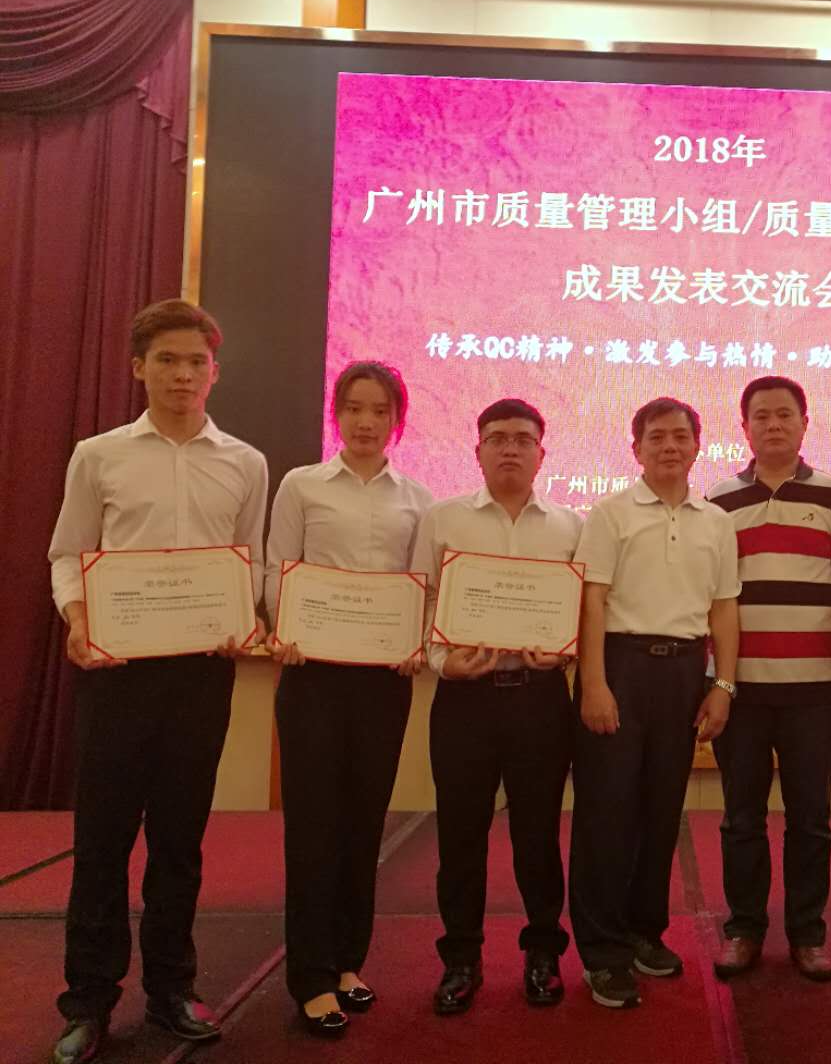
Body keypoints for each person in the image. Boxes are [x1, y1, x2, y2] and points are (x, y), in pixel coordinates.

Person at [46, 300, 267, 1064]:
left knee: (180, 843)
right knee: (100, 844)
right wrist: (79, 618)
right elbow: (69, 552)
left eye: (196, 361)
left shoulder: (245, 463)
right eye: (167, 360)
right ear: (139, 367)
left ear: (215, 372)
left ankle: (172, 990)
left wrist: (246, 617)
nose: (182, 374)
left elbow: (248, 562)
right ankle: (87, 1001)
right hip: (117, 672)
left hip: (202, 676)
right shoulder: (98, 456)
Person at [264, 361, 433, 1037]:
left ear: (398, 420)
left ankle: (345, 962)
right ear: (337, 414)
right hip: (312, 676)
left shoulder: (417, 500)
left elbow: (420, 586)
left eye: (380, 410)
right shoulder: (302, 485)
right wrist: (285, 627)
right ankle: (308, 976)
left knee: (365, 826)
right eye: (355, 408)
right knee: (313, 827)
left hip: (383, 681)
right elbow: (279, 568)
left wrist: (417, 638)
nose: (367, 421)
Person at [410, 399, 582, 1015]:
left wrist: (563, 654)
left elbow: (581, 612)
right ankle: (461, 958)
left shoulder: (570, 526)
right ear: (477, 449)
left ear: (542, 453)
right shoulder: (443, 519)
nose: (510, 448)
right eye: (497, 438)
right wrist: (440, 660)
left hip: (540, 699)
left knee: (539, 834)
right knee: (460, 835)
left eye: (523, 439)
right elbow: (419, 601)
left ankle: (544, 954)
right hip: (464, 699)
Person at [568, 397, 740, 1008]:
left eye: (680, 436)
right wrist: (594, 684)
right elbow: (591, 600)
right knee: (606, 814)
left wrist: (723, 685)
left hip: (685, 673)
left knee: (661, 811)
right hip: (620, 666)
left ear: (698, 446)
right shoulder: (610, 513)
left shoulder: (716, 521)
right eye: (657, 437)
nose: (670, 446)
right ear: (635, 448)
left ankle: (645, 932)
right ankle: (602, 952)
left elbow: (724, 607)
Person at [706, 376, 831, 983]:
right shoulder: (719, 501)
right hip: (740, 687)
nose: (773, 425)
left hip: (815, 687)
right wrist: (716, 680)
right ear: (744, 427)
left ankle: (808, 934)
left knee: (811, 819)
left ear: (804, 423)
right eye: (761, 416)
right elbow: (712, 595)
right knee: (741, 817)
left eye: (784, 415)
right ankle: (744, 929)